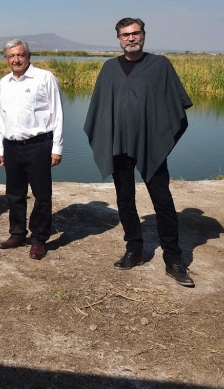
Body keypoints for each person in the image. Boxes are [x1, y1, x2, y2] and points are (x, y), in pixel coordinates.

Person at [84, 18, 195, 287]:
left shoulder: (160, 65)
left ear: (143, 35)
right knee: (124, 199)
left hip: (150, 144)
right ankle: (134, 249)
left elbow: (174, 105)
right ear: (118, 38)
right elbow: (100, 108)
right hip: (118, 145)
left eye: (135, 33)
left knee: (163, 202)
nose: (131, 38)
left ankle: (173, 259)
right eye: (125, 35)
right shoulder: (109, 68)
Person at [0, 39, 64, 260]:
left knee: (42, 194)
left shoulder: (44, 78)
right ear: (6, 59)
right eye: (11, 56)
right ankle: (17, 234)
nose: (16, 59)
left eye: (20, 55)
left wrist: (57, 147)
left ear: (29, 55)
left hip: (38, 145)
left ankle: (39, 239)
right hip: (11, 146)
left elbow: (57, 114)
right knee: (14, 194)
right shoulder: (4, 82)